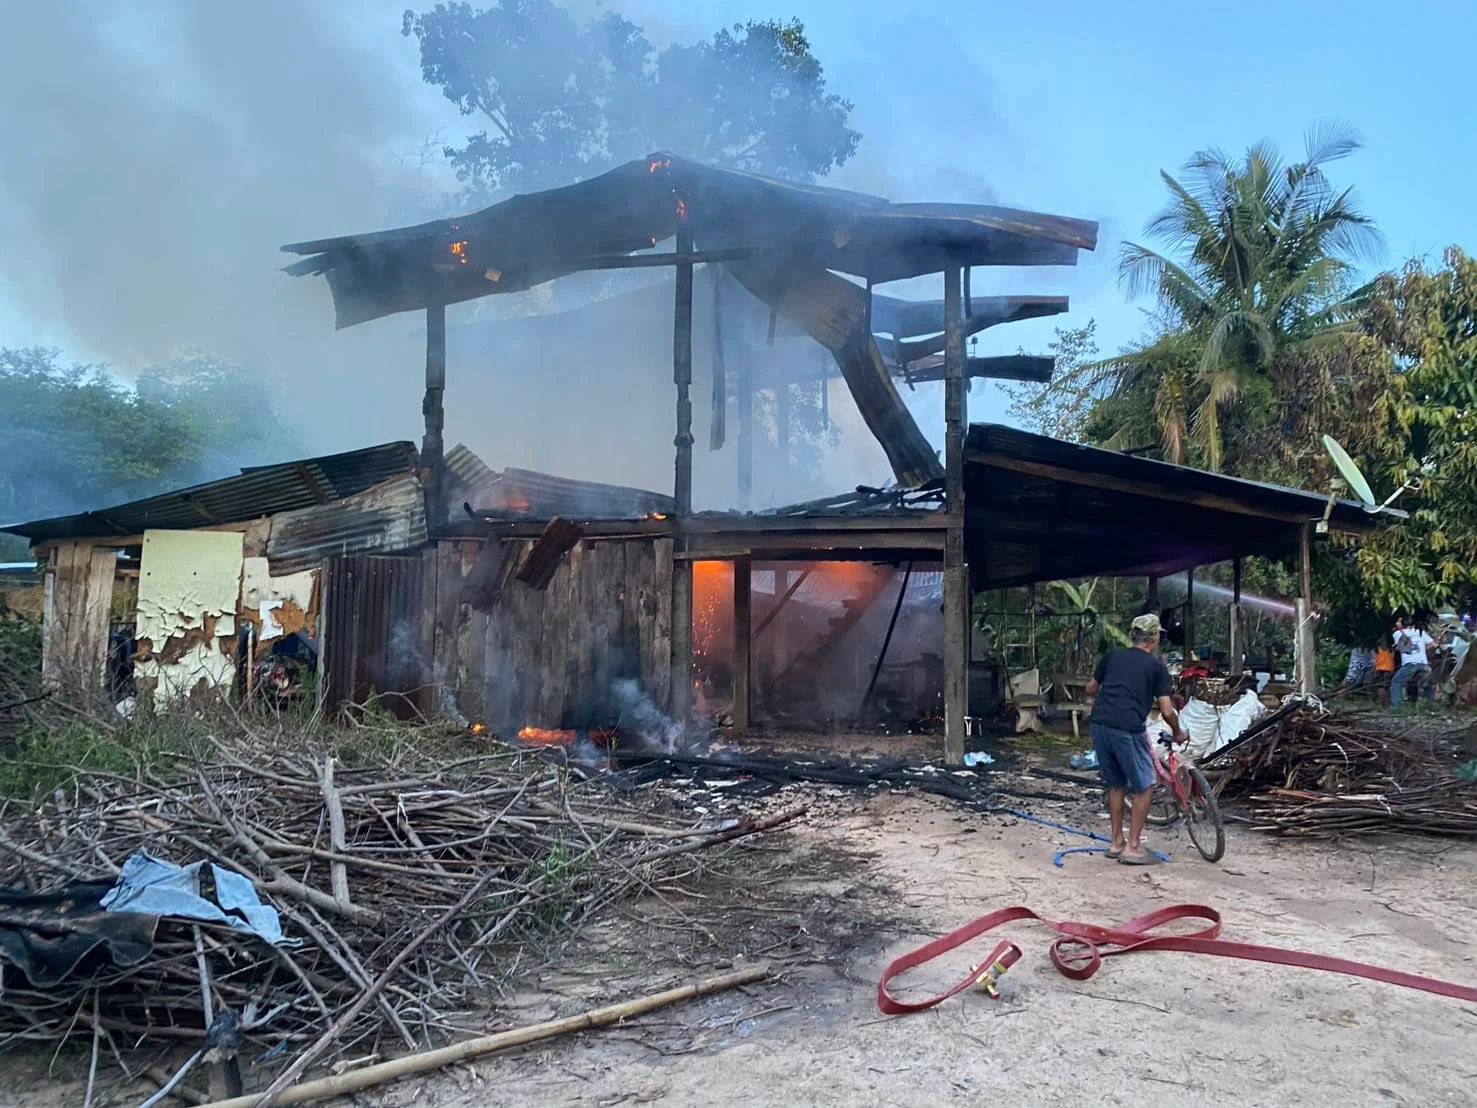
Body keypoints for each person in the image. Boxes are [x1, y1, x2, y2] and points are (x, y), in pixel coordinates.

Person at [1085, 613, 1186, 865]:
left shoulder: (1112, 656)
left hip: (1100, 724)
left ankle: (1116, 842)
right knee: (1145, 785)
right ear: (1154, 638)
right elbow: (1166, 711)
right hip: (1127, 728)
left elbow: (1091, 688)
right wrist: (1178, 732)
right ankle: (1133, 847)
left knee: (1116, 784)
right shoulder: (1156, 667)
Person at [1390, 613, 1437, 708]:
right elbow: (1434, 645)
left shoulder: (1397, 634)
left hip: (1410, 664)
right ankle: (1432, 704)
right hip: (1424, 664)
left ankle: (1396, 706)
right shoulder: (1420, 632)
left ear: (1401, 623)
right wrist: (1422, 649)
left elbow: (1396, 647)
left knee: (1396, 682)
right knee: (1427, 683)